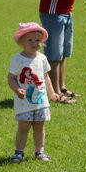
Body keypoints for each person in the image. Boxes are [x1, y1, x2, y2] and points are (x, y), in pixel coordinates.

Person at [7, 22, 60, 163]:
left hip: (41, 101)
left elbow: (46, 77)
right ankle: (19, 153)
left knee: (39, 127)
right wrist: (17, 89)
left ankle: (39, 151)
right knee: (23, 127)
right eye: (30, 40)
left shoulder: (42, 58)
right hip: (24, 102)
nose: (34, 43)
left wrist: (52, 93)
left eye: (38, 40)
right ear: (21, 42)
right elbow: (11, 78)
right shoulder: (17, 60)